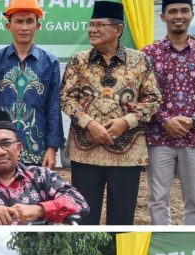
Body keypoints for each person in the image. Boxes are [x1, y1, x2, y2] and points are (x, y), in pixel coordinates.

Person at [60, 0, 161, 225]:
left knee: (122, 218)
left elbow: (153, 99)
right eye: (91, 24)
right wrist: (90, 124)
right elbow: (66, 97)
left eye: (100, 25)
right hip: (86, 151)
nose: (93, 30)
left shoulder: (140, 61)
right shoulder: (79, 61)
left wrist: (127, 121)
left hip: (127, 154)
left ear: (118, 30)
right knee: (84, 215)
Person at [143, 0, 195, 225]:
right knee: (157, 199)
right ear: (163, 17)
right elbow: (144, 93)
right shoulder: (149, 53)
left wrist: (193, 120)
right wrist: (165, 120)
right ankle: (161, 240)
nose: (179, 15)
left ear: (192, 15)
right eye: (173, 11)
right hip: (159, 137)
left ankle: (191, 240)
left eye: (184, 10)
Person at [0, 0, 63, 168]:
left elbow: (54, 107)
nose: (24, 27)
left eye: (29, 21)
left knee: (34, 193)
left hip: (36, 147)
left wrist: (52, 148)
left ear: (38, 26)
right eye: (18, 21)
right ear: (8, 26)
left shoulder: (50, 62)